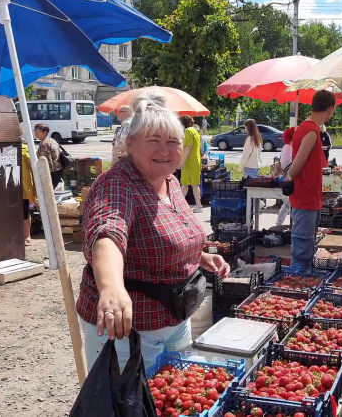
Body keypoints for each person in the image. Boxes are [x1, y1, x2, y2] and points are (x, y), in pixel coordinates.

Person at [76, 91, 230, 371]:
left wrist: (199, 256)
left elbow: (172, 231)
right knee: (133, 405)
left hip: (175, 316)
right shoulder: (117, 184)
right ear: (130, 144)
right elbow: (107, 234)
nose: (164, 150)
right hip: (131, 330)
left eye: (172, 142)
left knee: (178, 393)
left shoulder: (169, 180)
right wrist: (110, 287)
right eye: (154, 141)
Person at [286, 90, 336, 269]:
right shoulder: (311, 131)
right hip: (305, 198)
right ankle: (296, 286)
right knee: (302, 254)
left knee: (305, 249)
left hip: (308, 199)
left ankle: (299, 284)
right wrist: (289, 175)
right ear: (330, 109)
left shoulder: (304, 128)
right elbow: (296, 166)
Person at [179, 115, 203, 213]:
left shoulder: (188, 131)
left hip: (189, 161)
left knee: (186, 184)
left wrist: (182, 161)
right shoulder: (195, 131)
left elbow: (188, 147)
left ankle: (179, 205)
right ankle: (198, 205)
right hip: (195, 160)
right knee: (191, 184)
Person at [276, 127, 297, 226]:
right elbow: (287, 164)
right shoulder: (288, 148)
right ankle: (279, 223)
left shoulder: (288, 147)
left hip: (287, 177)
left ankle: (279, 223)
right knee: (288, 204)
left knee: (288, 204)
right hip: (288, 179)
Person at [34, 123, 64, 187]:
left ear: (45, 132)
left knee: (48, 194)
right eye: (35, 130)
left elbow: (46, 162)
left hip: (51, 172)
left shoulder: (45, 144)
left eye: (38, 130)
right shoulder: (50, 140)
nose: (36, 132)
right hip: (57, 170)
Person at [21, 141, 37, 246]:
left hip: (23, 188)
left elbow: (34, 168)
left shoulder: (24, 149)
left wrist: (35, 188)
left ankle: (27, 236)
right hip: (7, 188)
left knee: (24, 212)